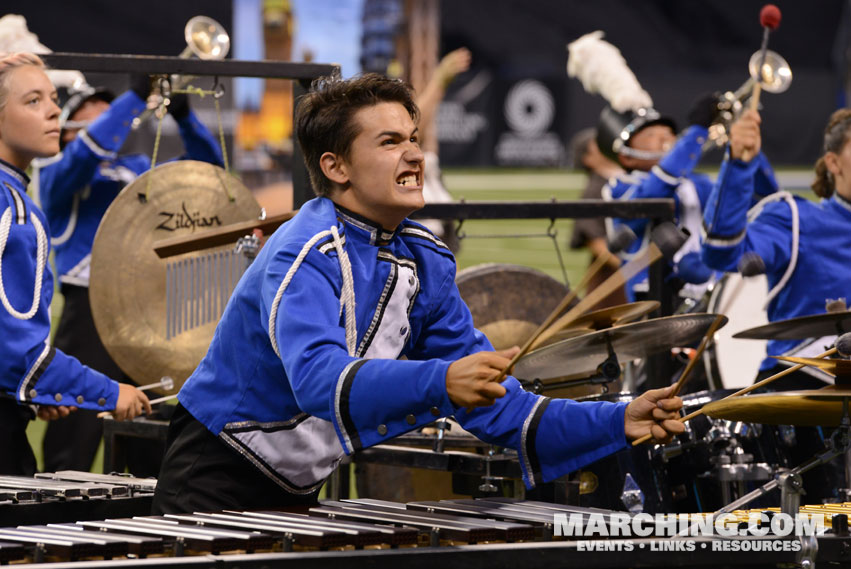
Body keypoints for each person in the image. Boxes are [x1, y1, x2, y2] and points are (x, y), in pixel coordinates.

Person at [151, 73, 686, 514]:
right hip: (214, 473)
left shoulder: (425, 262)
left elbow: (504, 410)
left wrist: (620, 419)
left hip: (296, 488)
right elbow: (319, 382)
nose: (413, 154)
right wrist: (443, 381)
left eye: (413, 137)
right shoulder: (305, 252)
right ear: (335, 166)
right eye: (389, 142)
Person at [36, 76, 224, 474]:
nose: (113, 119)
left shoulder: (139, 168)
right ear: (70, 129)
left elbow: (206, 169)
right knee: (75, 436)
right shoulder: (58, 172)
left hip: (146, 307)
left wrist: (186, 118)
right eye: (97, 114)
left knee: (150, 429)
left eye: (113, 111)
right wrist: (133, 98)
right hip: (89, 306)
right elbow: (90, 149)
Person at [0, 52, 150, 475]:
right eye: (33, 100)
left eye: (51, 97)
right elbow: (14, 351)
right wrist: (108, 392)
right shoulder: (12, 209)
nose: (52, 110)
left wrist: (25, 390)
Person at [702, 108, 851, 388]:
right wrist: (738, 167)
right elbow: (721, 252)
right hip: (802, 389)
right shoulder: (796, 219)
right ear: (833, 162)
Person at [567, 128, 627, 309]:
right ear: (587, 158)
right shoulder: (594, 190)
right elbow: (596, 243)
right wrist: (631, 266)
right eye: (597, 144)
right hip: (613, 282)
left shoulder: (626, 177)